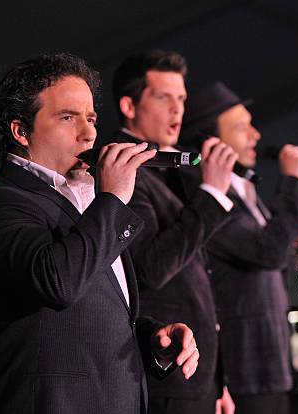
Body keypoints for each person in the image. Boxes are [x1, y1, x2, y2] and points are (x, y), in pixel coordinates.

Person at [0, 53, 199, 413]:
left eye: (91, 118)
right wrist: (113, 198)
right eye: (68, 117)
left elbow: (92, 310)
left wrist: (150, 337)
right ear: (21, 130)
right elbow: (57, 281)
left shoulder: (86, 199)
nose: (88, 133)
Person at [180, 81, 298, 414]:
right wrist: (293, 183)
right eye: (241, 128)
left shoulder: (244, 189)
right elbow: (265, 251)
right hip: (244, 363)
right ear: (211, 140)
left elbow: (272, 257)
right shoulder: (207, 192)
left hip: (272, 357)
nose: (255, 135)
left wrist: (296, 255)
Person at [110, 51, 238, 414]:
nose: (177, 109)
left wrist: (217, 383)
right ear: (129, 106)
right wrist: (212, 194)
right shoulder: (123, 169)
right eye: (164, 97)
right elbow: (151, 267)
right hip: (163, 373)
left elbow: (199, 278)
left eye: (181, 98)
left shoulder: (170, 167)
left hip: (196, 377)